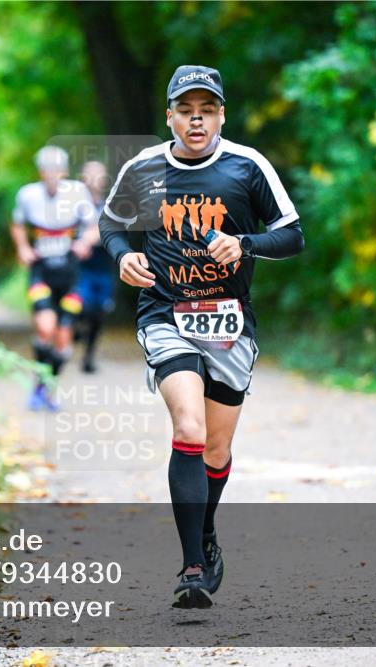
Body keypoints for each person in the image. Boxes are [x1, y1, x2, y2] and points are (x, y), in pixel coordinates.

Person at [99, 65, 305, 609]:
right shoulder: (143, 167)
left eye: (207, 109)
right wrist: (124, 257)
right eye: (186, 109)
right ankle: (192, 566)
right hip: (165, 311)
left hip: (230, 320)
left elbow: (292, 235)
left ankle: (206, 532)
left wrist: (246, 244)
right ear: (170, 116)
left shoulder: (247, 166)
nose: (197, 119)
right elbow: (112, 223)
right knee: (188, 428)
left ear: (221, 115)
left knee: (217, 447)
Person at [11, 146, 98, 411]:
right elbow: (17, 225)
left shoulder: (78, 193)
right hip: (41, 272)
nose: (51, 175)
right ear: (40, 172)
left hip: (70, 275)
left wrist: (85, 242)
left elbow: (94, 227)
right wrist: (23, 248)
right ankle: (40, 384)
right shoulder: (28, 194)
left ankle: (47, 386)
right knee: (45, 328)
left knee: (63, 339)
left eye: (56, 170)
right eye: (46, 170)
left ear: (64, 171)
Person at [75, 161, 116, 373]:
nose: (95, 178)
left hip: (103, 266)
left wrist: (94, 236)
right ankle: (73, 327)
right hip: (78, 267)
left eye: (99, 174)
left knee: (99, 313)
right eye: (90, 173)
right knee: (81, 307)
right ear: (82, 177)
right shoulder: (73, 204)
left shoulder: (110, 204)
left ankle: (88, 356)